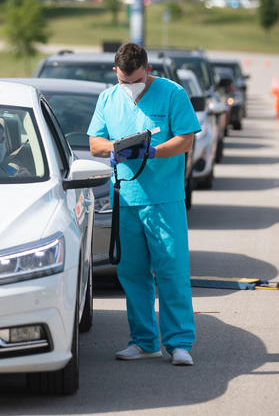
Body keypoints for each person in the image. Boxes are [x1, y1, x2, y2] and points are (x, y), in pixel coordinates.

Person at [87, 42, 201, 366]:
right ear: (115, 73)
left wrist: (152, 151)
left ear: (148, 71)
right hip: (126, 198)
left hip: (164, 200)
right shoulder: (108, 98)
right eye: (124, 81)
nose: (129, 87)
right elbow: (94, 141)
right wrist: (116, 148)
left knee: (171, 270)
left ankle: (179, 343)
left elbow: (187, 140)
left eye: (135, 80)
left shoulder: (173, 94)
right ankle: (143, 340)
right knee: (132, 273)